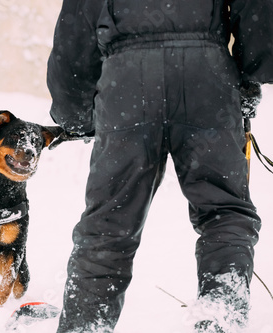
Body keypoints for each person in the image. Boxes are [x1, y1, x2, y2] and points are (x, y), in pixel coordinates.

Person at [47, 0, 273, 332]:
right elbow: (256, 9)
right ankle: (221, 306)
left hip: (126, 81)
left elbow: (74, 35)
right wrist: (250, 75)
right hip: (206, 77)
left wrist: (76, 116)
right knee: (224, 208)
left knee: (109, 222)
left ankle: (86, 325)